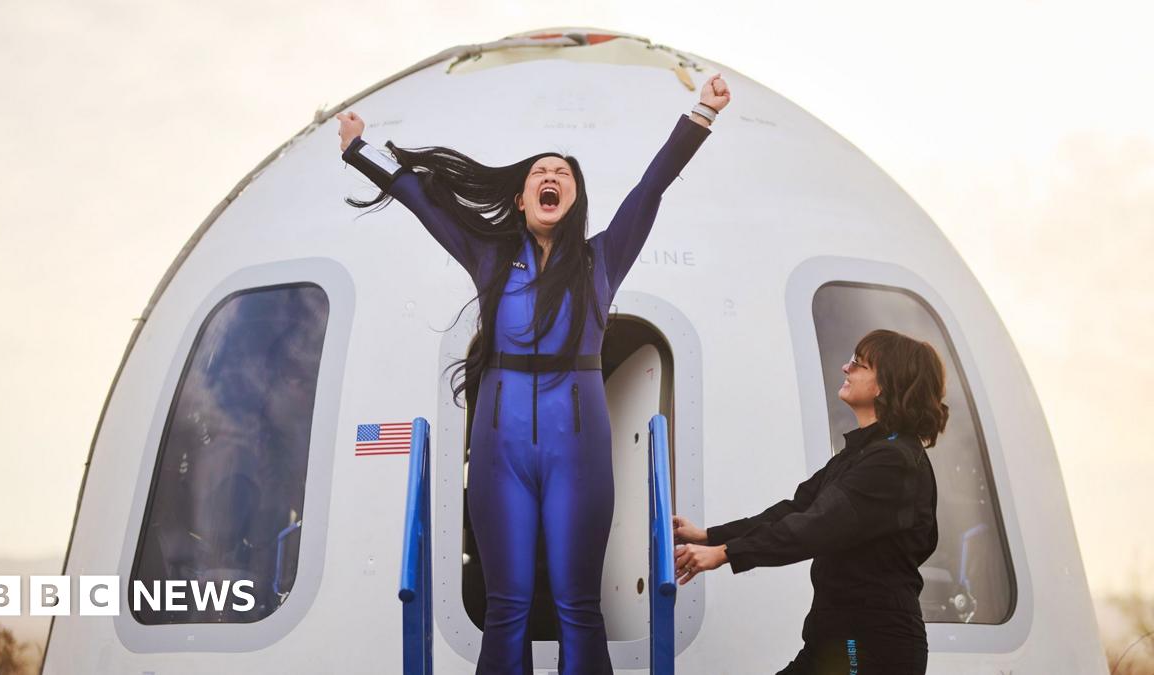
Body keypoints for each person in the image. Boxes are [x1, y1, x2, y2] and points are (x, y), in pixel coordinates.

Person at [337, 74, 730, 674]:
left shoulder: (603, 258)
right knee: (507, 607)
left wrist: (702, 113)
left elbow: (651, 187)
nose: (550, 176)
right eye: (539, 173)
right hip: (501, 451)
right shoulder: (489, 255)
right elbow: (423, 201)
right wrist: (358, 150)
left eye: (562, 173)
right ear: (521, 199)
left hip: (580, 452)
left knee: (578, 606)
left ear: (575, 199)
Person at [672, 329, 948, 674]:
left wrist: (726, 554)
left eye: (859, 364)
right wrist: (709, 536)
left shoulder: (892, 462)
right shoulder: (861, 454)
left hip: (869, 645)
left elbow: (816, 526)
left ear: (884, 385)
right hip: (834, 638)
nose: (846, 368)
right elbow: (795, 509)